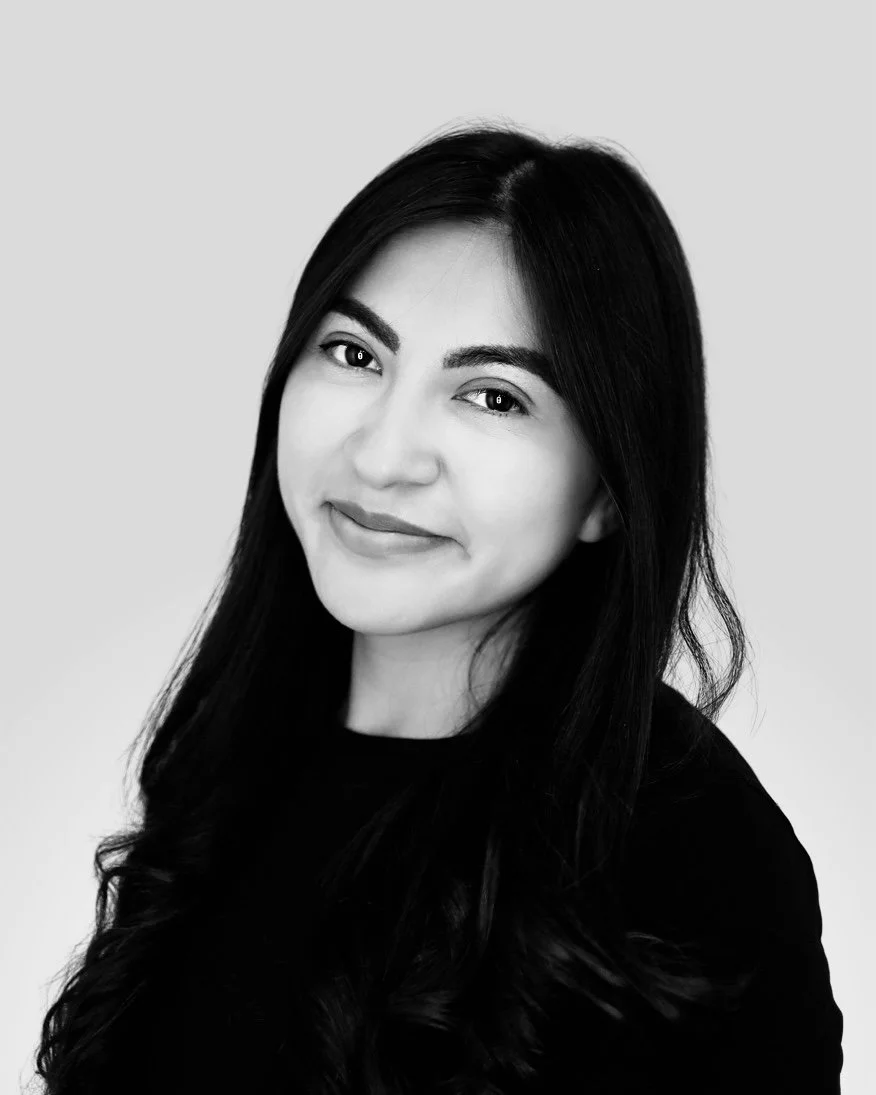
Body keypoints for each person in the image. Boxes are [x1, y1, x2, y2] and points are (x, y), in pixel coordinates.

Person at [34, 121, 843, 1094]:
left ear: (609, 490)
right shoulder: (232, 754)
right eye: (354, 354)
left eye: (493, 397)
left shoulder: (691, 860)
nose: (382, 455)